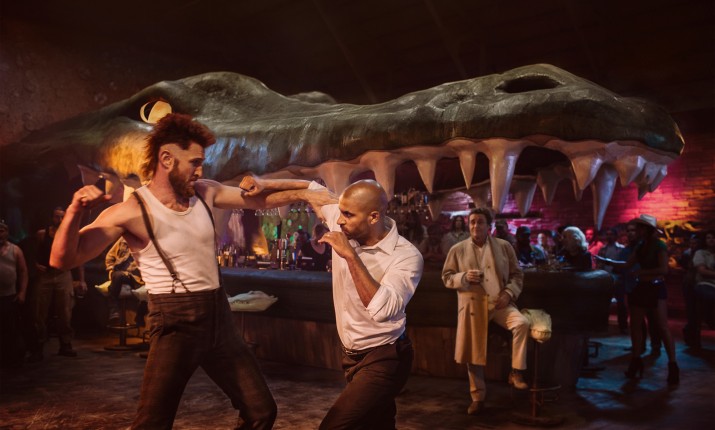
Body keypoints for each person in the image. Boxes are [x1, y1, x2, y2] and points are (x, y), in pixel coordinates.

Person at [49, 113, 334, 429]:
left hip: (219, 318)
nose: (200, 171)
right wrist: (74, 211)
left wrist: (306, 191)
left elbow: (258, 200)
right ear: (166, 159)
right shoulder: (131, 211)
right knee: (152, 424)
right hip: (175, 323)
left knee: (261, 412)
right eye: (194, 163)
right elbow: (63, 260)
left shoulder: (205, 192)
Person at [442, 207, 528, 416]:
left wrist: (508, 293)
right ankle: (477, 398)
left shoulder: (504, 246)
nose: (475, 226)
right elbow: (446, 277)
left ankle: (516, 371)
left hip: (500, 304)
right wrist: (463, 277)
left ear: (488, 225)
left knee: (522, 323)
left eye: (480, 222)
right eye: (472, 222)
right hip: (473, 306)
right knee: (473, 353)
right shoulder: (458, 249)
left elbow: (517, 274)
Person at [596, 214, 679, 385]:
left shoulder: (659, 245)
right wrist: (605, 261)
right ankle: (636, 360)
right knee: (635, 326)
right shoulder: (641, 246)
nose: (637, 231)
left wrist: (642, 272)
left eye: (640, 228)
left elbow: (663, 269)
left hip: (655, 287)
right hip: (641, 287)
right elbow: (627, 264)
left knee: (662, 326)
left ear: (646, 230)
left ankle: (673, 365)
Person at [34, 207, 87, 358]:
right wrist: (35, 265)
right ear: (52, 218)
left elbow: (78, 257)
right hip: (45, 275)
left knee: (65, 311)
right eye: (57, 217)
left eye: (62, 217)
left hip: (63, 274)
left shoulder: (70, 235)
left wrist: (82, 280)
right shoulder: (42, 234)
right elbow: (32, 253)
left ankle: (65, 344)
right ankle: (38, 346)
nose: (60, 220)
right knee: (39, 312)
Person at [0, 220, 29, 368]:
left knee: (10, 329)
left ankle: (11, 359)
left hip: (9, 297)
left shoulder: (15, 250)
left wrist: (22, 292)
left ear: (7, 232)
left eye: (2, 231)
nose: (0, 234)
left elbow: (23, 272)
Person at [105, 237, 145, 326]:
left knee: (149, 289)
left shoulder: (145, 241)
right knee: (118, 276)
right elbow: (110, 256)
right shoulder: (123, 239)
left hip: (136, 277)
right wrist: (111, 270)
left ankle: (140, 317)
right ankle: (114, 311)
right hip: (120, 273)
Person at [597, 228, 626, 333]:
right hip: (606, 278)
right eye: (607, 234)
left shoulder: (621, 249)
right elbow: (599, 264)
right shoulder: (602, 249)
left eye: (611, 234)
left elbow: (624, 264)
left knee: (621, 303)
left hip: (619, 279)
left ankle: (623, 326)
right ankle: (603, 325)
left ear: (616, 236)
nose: (609, 236)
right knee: (604, 303)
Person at [690, 230, 715, 349]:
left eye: (713, 237)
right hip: (705, 283)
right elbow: (702, 270)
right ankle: (709, 320)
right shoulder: (701, 253)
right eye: (708, 238)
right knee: (709, 297)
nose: (711, 240)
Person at [680, 233, 702, 347]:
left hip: (698, 284)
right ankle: (692, 337)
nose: (693, 245)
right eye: (691, 243)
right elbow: (684, 266)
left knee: (697, 312)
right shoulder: (687, 254)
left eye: (695, 243)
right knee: (691, 311)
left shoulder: (701, 254)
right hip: (689, 284)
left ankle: (694, 337)